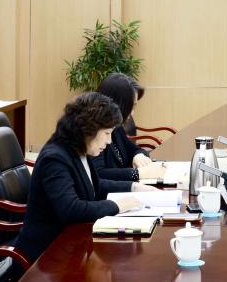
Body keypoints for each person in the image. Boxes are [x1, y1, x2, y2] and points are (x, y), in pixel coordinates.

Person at [14, 92, 153, 261]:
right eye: (107, 133)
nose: (109, 141)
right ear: (90, 129)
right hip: (45, 257)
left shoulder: (78, 148)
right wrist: (117, 205)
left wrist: (134, 187)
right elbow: (71, 209)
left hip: (70, 246)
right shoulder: (55, 158)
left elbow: (94, 186)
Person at [93, 73, 163, 181]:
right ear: (118, 104)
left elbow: (134, 149)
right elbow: (98, 174)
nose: (133, 112)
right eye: (132, 106)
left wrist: (138, 156)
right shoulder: (94, 131)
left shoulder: (116, 127)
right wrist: (137, 174)